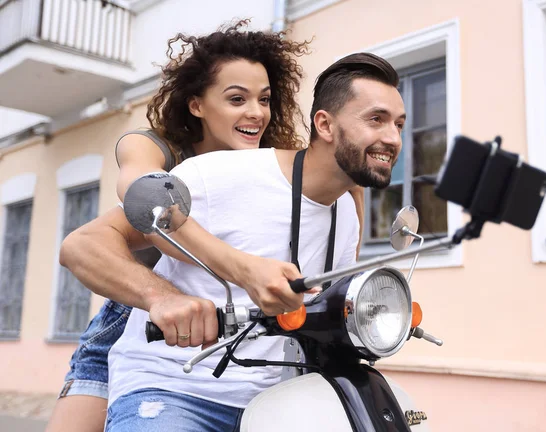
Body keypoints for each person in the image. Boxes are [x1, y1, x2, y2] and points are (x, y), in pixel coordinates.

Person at [46, 20, 360, 432]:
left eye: (264, 100)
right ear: (197, 105)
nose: (256, 113)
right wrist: (240, 267)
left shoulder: (272, 168)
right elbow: (144, 195)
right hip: (139, 312)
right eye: (236, 99)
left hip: (229, 339)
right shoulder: (156, 147)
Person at [105, 52, 405, 431]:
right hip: (176, 388)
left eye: (399, 123)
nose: (393, 138)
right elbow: (91, 240)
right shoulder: (215, 172)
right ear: (324, 125)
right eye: (376, 119)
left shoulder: (344, 210)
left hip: (273, 401)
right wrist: (163, 297)